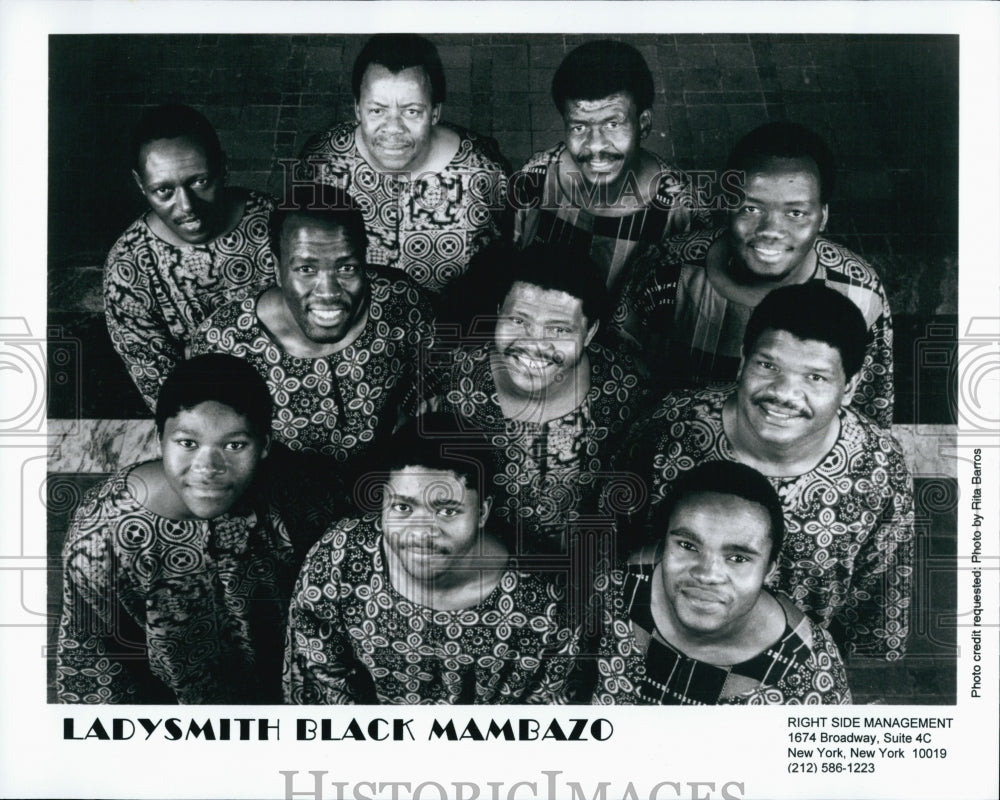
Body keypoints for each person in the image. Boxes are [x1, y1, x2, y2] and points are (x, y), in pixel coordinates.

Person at [613, 283, 913, 660]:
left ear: (849, 387)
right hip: (648, 653)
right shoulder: (670, 428)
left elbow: (877, 605)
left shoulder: (879, 468)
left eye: (815, 378)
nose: (784, 392)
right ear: (742, 361)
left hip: (789, 678)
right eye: (768, 365)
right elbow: (609, 544)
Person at [56, 354, 328, 704]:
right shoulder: (103, 536)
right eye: (187, 443)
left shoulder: (300, 495)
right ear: (159, 439)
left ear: (265, 447)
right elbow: (95, 668)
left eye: (235, 445)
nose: (209, 467)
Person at [284, 414, 581, 704]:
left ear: (483, 513)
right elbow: (320, 684)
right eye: (402, 508)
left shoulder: (549, 601)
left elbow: (546, 719)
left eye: (447, 511)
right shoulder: (341, 555)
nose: (421, 534)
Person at [657, 121, 894, 426]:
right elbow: (626, 373)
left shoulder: (859, 291)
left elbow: (867, 409)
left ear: (823, 217)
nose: (770, 232)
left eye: (795, 214)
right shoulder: (670, 265)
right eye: (751, 209)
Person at [190, 183, 435, 475]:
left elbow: (432, 374)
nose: (329, 292)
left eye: (347, 268)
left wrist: (417, 422)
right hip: (283, 498)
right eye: (306, 270)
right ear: (276, 267)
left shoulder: (399, 300)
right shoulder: (224, 343)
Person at [429, 242, 647, 553]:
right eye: (518, 321)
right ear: (497, 314)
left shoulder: (623, 388)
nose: (534, 344)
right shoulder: (453, 380)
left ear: (590, 333)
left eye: (559, 330)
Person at [595, 461, 852, 705]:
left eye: (738, 558)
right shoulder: (613, 587)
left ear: (768, 571)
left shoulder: (810, 668)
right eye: (687, 545)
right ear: (664, 543)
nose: (708, 574)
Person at [512, 40, 708, 355]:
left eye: (612, 124)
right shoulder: (536, 180)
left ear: (643, 124)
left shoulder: (680, 206)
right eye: (578, 127)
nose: (595, 146)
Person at [298, 34, 510, 295]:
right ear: (357, 109)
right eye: (377, 110)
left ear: (434, 113)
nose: (393, 129)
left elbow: (503, 257)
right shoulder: (322, 159)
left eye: (411, 111)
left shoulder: (484, 174)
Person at [104, 104, 278, 411]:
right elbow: (163, 390)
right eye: (163, 191)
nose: (186, 205)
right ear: (140, 184)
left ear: (222, 167)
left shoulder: (277, 224)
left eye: (199, 181)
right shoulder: (128, 267)